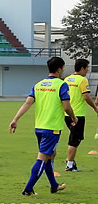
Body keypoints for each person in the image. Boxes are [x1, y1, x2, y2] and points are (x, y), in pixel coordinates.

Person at [9, 57, 77, 196]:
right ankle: (28, 189)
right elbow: (67, 106)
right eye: (63, 68)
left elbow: (27, 103)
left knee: (51, 154)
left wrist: (15, 119)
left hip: (39, 127)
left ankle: (54, 185)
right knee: (43, 157)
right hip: (52, 128)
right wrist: (73, 117)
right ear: (59, 69)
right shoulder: (61, 84)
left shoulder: (39, 84)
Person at [63, 59, 98, 171]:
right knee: (74, 140)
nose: (88, 70)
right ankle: (69, 164)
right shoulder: (83, 80)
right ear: (82, 68)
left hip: (67, 113)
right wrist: (95, 108)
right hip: (77, 115)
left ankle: (70, 161)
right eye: (87, 68)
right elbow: (86, 97)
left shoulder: (67, 79)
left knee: (75, 138)